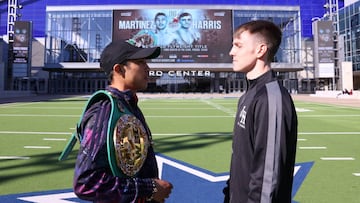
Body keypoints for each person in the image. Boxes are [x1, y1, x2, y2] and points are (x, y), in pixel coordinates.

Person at [72, 39, 173, 203]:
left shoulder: (127, 105)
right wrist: (150, 188)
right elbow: (86, 183)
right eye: (140, 62)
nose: (148, 67)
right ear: (119, 69)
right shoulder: (104, 111)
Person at [223, 20, 298, 203]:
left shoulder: (271, 98)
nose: (231, 52)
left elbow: (267, 177)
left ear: (260, 50)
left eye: (238, 45)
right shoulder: (249, 95)